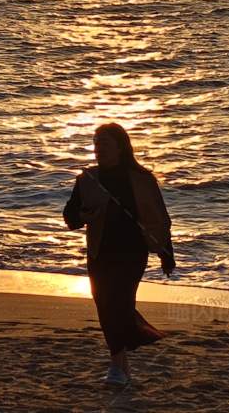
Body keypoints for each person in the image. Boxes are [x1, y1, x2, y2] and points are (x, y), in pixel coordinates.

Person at [63, 123, 176, 388]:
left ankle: (118, 365)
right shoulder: (88, 180)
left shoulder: (141, 178)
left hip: (132, 252)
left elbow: (160, 218)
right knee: (105, 305)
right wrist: (83, 216)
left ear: (120, 147)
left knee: (120, 304)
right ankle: (122, 366)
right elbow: (70, 216)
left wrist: (166, 253)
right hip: (100, 251)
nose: (98, 149)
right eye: (95, 143)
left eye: (104, 144)